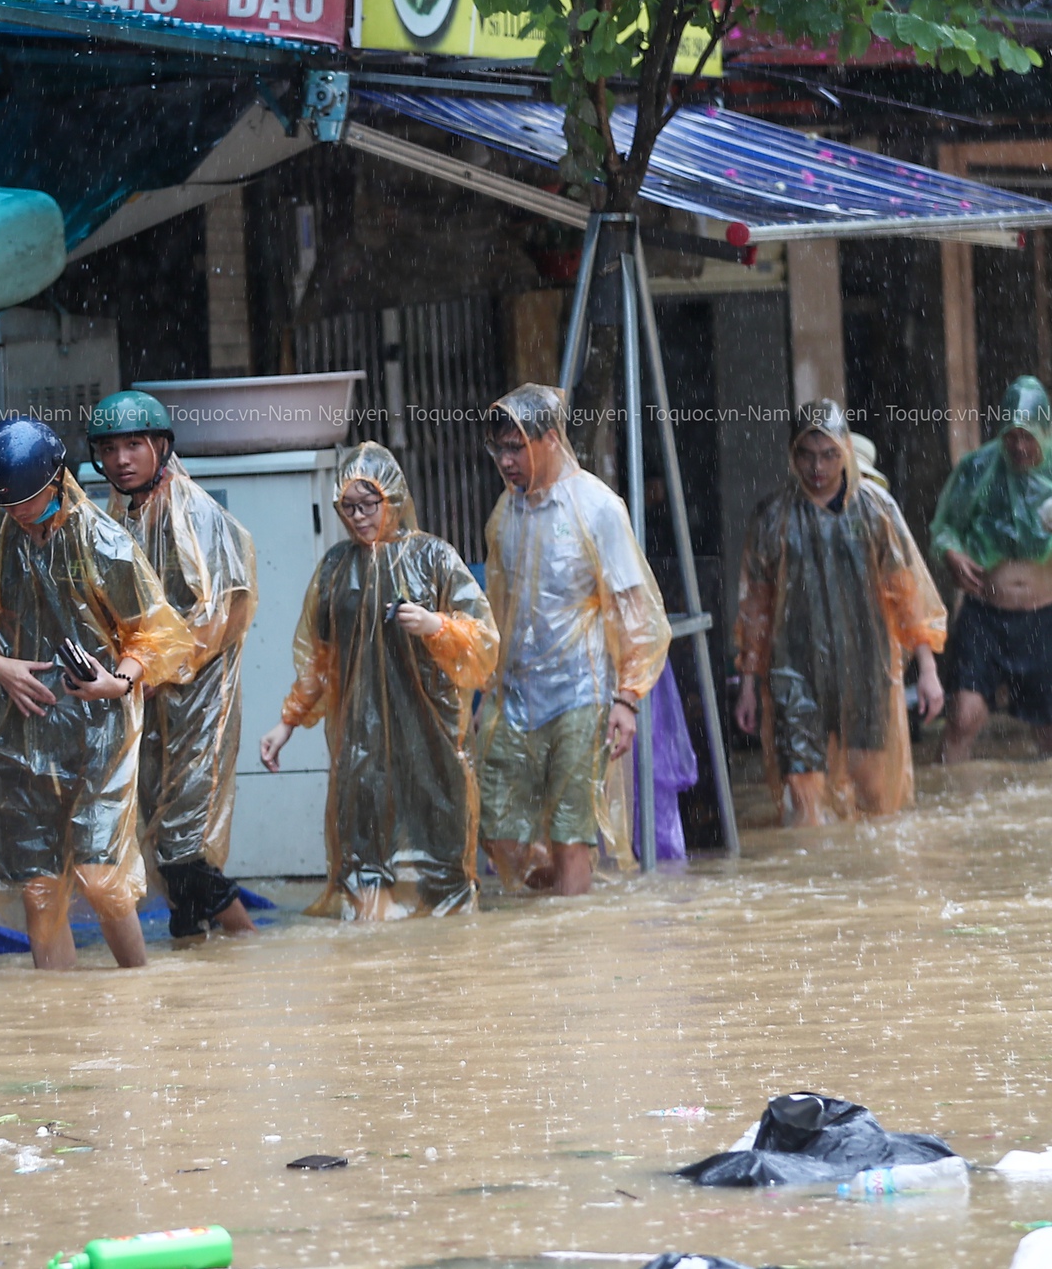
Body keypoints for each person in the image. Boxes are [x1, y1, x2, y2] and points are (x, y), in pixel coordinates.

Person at [0, 416, 194, 970]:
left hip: (99, 725)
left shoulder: (104, 542)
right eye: (8, 505)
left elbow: (155, 635)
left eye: (29, 499)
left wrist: (114, 682)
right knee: (39, 889)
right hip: (22, 722)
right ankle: (61, 1021)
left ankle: (137, 992)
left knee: (100, 878)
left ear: (58, 479)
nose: (20, 513)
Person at [258, 443, 498, 920]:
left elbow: (484, 646)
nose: (359, 517)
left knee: (443, 865)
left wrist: (437, 626)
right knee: (363, 864)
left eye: (369, 504)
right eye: (348, 507)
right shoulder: (334, 569)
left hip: (432, 739)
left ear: (393, 498)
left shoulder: (434, 558)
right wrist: (287, 723)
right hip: (361, 745)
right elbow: (319, 661)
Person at [476, 384, 670, 895]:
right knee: (495, 825)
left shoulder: (597, 508)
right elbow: (501, 607)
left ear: (551, 439)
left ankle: (574, 943)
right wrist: (488, 691)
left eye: (516, 446)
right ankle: (557, 906)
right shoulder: (506, 512)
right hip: (516, 693)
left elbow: (635, 610)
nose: (506, 460)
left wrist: (627, 699)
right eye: (499, 449)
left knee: (570, 831)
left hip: (581, 693)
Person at [89, 390, 260, 940]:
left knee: (181, 846)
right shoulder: (121, 516)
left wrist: (156, 668)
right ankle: (199, 953)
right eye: (110, 448)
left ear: (160, 446)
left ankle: (244, 940)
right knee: (161, 843)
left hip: (198, 705)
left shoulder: (195, 515)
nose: (122, 459)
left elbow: (224, 612)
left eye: (134, 444)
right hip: (147, 702)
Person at [733, 401, 948, 823]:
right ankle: (813, 875)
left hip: (866, 664)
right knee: (802, 788)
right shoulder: (772, 517)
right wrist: (747, 683)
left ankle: (868, 879)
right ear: (793, 455)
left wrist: (927, 668)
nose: (818, 467)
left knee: (871, 788)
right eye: (808, 455)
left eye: (829, 454)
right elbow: (756, 608)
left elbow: (907, 594)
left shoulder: (875, 509)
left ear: (846, 451)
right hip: (793, 668)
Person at [928, 375, 1052, 759]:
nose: (1019, 446)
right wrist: (951, 554)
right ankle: (951, 803)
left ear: (1045, 430)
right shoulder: (978, 469)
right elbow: (945, 529)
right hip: (984, 616)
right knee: (962, 718)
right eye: (1011, 436)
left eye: (1028, 436)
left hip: (1045, 618)